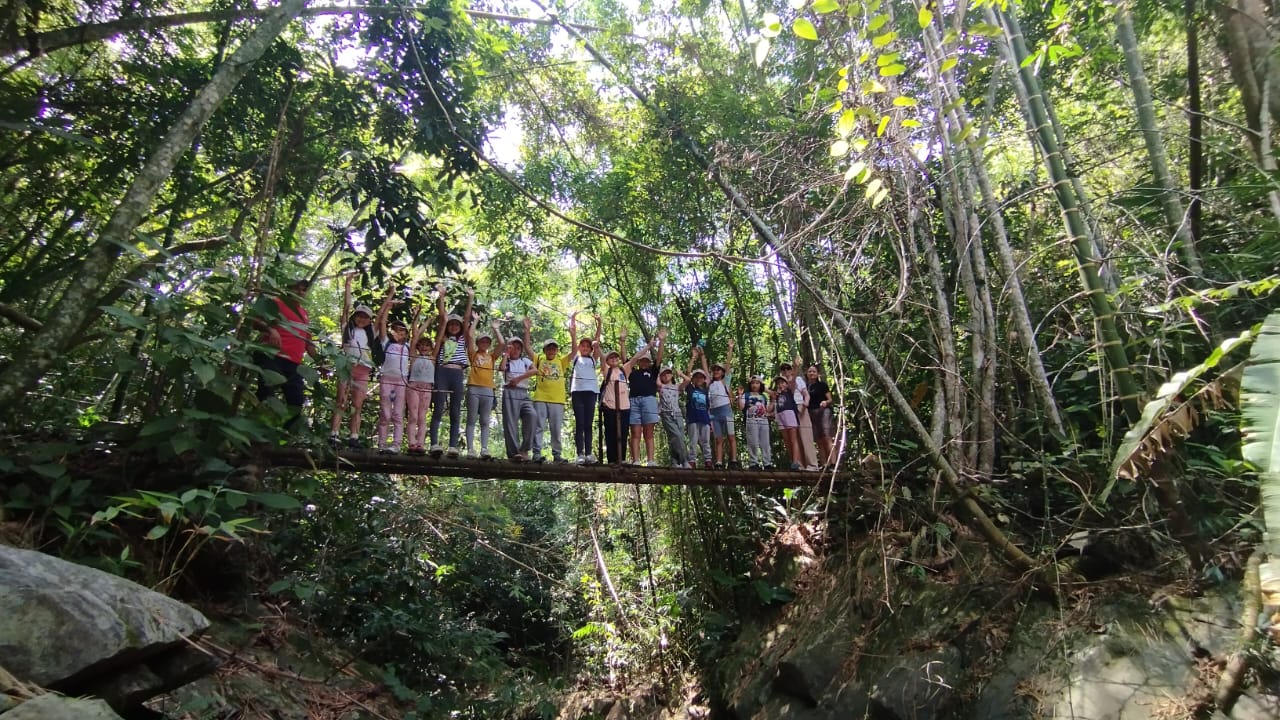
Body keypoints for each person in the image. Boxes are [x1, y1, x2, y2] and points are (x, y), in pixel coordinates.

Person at [253, 277, 319, 432]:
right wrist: (271, 329)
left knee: (296, 401)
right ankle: (261, 433)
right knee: (267, 395)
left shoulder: (304, 313)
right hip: (272, 355)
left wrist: (320, 362)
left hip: (294, 363)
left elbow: (307, 341)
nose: (300, 292)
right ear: (288, 288)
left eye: (303, 290)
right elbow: (255, 321)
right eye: (296, 288)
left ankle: (285, 435)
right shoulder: (276, 302)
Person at [329, 274, 381, 449]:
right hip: (347, 367)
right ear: (354, 316)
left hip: (363, 370)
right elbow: (346, 308)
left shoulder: (370, 333)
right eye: (359, 316)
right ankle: (334, 434)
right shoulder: (347, 329)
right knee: (341, 401)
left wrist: (389, 298)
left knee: (357, 404)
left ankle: (354, 436)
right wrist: (348, 284)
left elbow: (380, 316)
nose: (362, 319)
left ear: (369, 320)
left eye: (365, 317)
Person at [599, 327, 656, 465]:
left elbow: (636, 357)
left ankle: (622, 458)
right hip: (610, 406)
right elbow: (600, 357)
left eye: (615, 357)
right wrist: (597, 346)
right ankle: (612, 460)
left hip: (625, 407)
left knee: (623, 433)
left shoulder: (624, 370)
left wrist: (648, 346)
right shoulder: (607, 370)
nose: (613, 359)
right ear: (607, 360)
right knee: (611, 433)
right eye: (610, 357)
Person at [430, 285, 474, 458]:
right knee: (438, 408)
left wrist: (470, 297)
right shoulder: (443, 338)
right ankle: (434, 444)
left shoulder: (463, 339)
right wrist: (441, 297)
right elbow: (442, 317)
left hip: (457, 373)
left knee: (455, 410)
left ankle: (453, 446)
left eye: (457, 325)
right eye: (451, 324)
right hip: (442, 371)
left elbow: (467, 317)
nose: (454, 326)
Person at [374, 283, 410, 454]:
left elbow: (417, 333)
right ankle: (381, 444)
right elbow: (381, 322)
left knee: (397, 415)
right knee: (385, 414)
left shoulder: (409, 346)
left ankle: (395, 444)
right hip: (387, 379)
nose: (399, 333)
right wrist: (388, 303)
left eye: (402, 331)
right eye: (396, 330)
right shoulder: (386, 342)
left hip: (402, 381)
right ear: (391, 331)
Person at [627, 328, 667, 467]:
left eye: (646, 361)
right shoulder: (632, 372)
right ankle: (636, 460)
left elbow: (659, 358)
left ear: (649, 363)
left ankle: (650, 460)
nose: (644, 363)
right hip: (633, 401)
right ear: (638, 362)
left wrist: (661, 341)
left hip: (649, 400)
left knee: (649, 432)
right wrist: (622, 341)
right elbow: (627, 359)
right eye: (642, 361)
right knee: (635, 432)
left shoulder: (653, 372)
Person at [466, 316, 503, 459]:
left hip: (488, 390)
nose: (485, 343)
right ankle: (470, 449)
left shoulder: (492, 357)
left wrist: (496, 329)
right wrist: (475, 321)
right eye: (482, 341)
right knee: (471, 419)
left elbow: (501, 343)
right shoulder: (473, 354)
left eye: (487, 341)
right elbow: (469, 336)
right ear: (478, 343)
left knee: (485, 420)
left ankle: (484, 449)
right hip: (474, 388)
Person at [500, 318, 537, 461]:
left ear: (521, 350)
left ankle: (524, 449)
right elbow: (502, 368)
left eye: (517, 348)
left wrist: (519, 378)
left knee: (532, 416)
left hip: (523, 392)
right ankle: (513, 453)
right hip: (510, 392)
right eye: (512, 347)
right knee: (510, 422)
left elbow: (535, 371)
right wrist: (506, 354)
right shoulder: (507, 361)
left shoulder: (525, 361)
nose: (515, 350)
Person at [568, 312, 603, 464]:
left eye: (587, 346)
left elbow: (596, 342)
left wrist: (599, 323)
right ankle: (580, 453)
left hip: (591, 392)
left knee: (588, 423)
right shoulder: (576, 358)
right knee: (580, 423)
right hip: (577, 392)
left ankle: (589, 453)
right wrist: (572, 320)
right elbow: (573, 339)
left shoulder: (593, 359)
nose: (585, 348)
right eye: (583, 345)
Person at [404, 304, 437, 456]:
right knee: (413, 415)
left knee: (422, 417)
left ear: (431, 348)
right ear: (418, 347)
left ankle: (420, 443)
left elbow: (441, 331)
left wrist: (433, 319)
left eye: (427, 345)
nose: (424, 347)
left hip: (427, 388)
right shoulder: (414, 356)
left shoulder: (432, 358)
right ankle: (411, 443)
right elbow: (414, 336)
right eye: (422, 345)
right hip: (413, 386)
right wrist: (419, 318)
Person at [531, 336, 571, 464]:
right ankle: (536, 454)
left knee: (556, 428)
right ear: (544, 350)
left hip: (557, 400)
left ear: (557, 351)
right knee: (538, 426)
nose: (551, 351)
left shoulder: (561, 361)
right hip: (540, 398)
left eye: (554, 349)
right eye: (549, 348)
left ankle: (557, 455)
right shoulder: (539, 359)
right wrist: (527, 330)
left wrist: (573, 333)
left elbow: (575, 351)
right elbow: (527, 347)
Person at [708, 340, 740, 469]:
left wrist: (730, 349)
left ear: (722, 372)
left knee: (731, 436)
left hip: (726, 410)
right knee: (718, 439)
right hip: (714, 413)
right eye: (714, 369)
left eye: (718, 370)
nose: (716, 371)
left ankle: (733, 460)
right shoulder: (709, 384)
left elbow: (727, 366)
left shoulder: (725, 382)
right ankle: (719, 462)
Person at [782, 359, 818, 470]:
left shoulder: (798, 379)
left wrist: (805, 404)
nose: (786, 371)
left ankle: (812, 465)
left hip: (799, 406)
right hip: (788, 410)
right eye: (783, 369)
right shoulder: (781, 383)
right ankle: (800, 465)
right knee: (794, 438)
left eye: (788, 368)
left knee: (805, 436)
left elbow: (806, 394)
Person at [682, 348, 712, 468]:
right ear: (693, 379)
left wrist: (711, 422)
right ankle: (692, 460)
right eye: (696, 377)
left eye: (701, 377)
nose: (699, 379)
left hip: (704, 419)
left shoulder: (706, 390)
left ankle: (708, 460)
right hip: (692, 419)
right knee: (693, 440)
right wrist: (693, 358)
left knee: (706, 441)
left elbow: (709, 408)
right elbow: (688, 373)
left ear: (704, 380)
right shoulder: (690, 389)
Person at [657, 365, 690, 468]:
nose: (666, 375)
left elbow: (688, 380)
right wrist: (657, 372)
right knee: (677, 436)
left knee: (677, 438)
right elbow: (657, 381)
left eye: (668, 373)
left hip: (678, 414)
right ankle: (684, 460)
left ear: (671, 375)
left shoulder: (677, 387)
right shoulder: (661, 386)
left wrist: (680, 374)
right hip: (666, 414)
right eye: (663, 374)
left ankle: (674, 461)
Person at [739, 375, 773, 469]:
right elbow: (741, 407)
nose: (755, 385)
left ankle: (767, 463)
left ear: (760, 385)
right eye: (753, 383)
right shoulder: (746, 395)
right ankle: (753, 463)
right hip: (751, 420)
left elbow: (768, 410)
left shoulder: (763, 396)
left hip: (763, 421)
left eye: (757, 383)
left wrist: (773, 400)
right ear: (750, 385)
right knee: (753, 442)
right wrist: (740, 395)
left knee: (765, 442)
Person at [806, 365, 836, 467]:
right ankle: (824, 464)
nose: (811, 373)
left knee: (827, 437)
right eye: (810, 371)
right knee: (818, 439)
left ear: (818, 373)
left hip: (823, 412)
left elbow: (830, 399)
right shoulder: (806, 387)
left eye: (814, 371)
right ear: (807, 374)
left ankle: (833, 463)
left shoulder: (822, 385)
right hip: (811, 413)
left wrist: (825, 402)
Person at [773, 376, 803, 470]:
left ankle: (796, 462)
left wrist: (795, 366)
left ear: (786, 384)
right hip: (780, 415)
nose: (780, 385)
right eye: (778, 383)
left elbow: (793, 381)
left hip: (789, 413)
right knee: (787, 441)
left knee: (793, 439)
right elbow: (767, 390)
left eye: (782, 383)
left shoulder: (790, 391)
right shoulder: (777, 395)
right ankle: (793, 462)